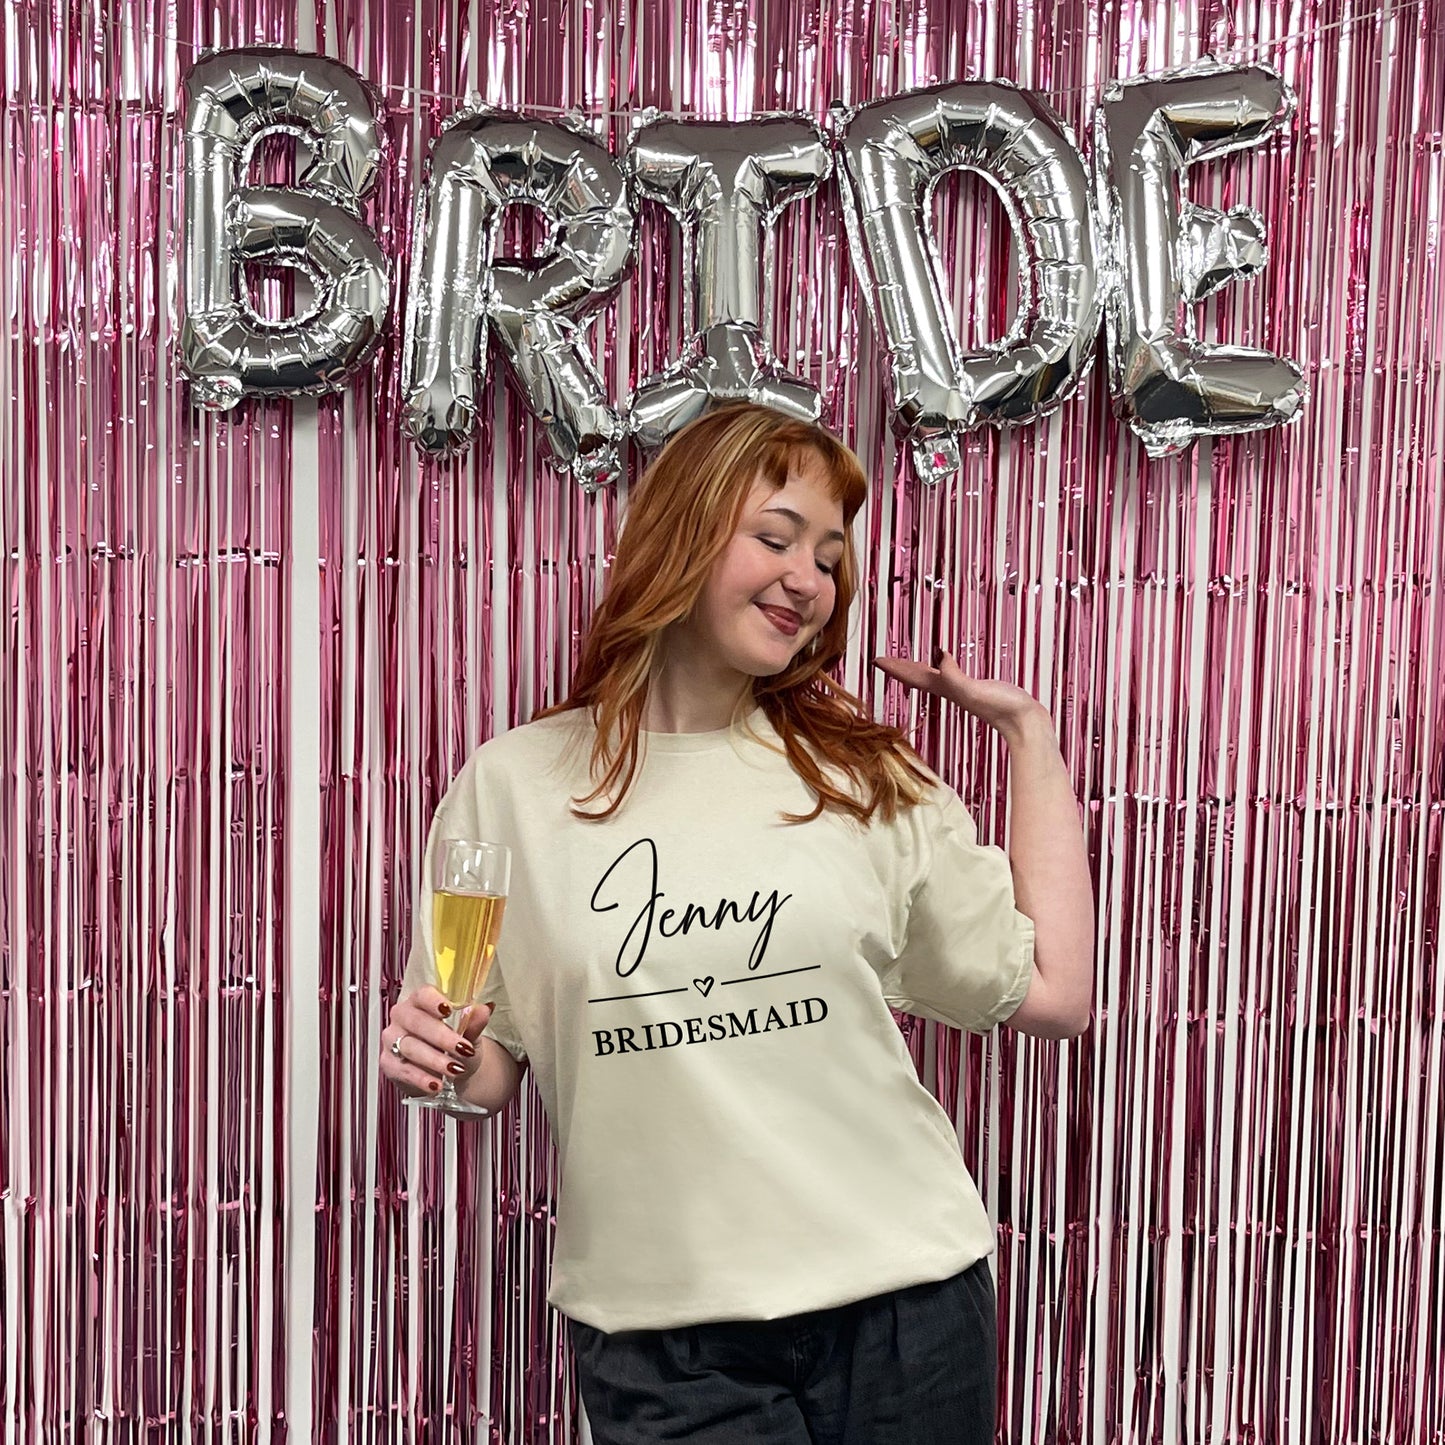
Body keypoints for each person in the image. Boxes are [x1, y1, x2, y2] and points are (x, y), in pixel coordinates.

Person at [379, 402, 1094, 1444]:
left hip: (904, 1305)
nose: (808, 579)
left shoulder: (861, 775)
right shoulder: (512, 787)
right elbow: (485, 1060)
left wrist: (1029, 736)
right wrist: (435, 1056)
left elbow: (1053, 996)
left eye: (829, 556)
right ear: (681, 532)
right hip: (662, 1335)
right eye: (775, 537)